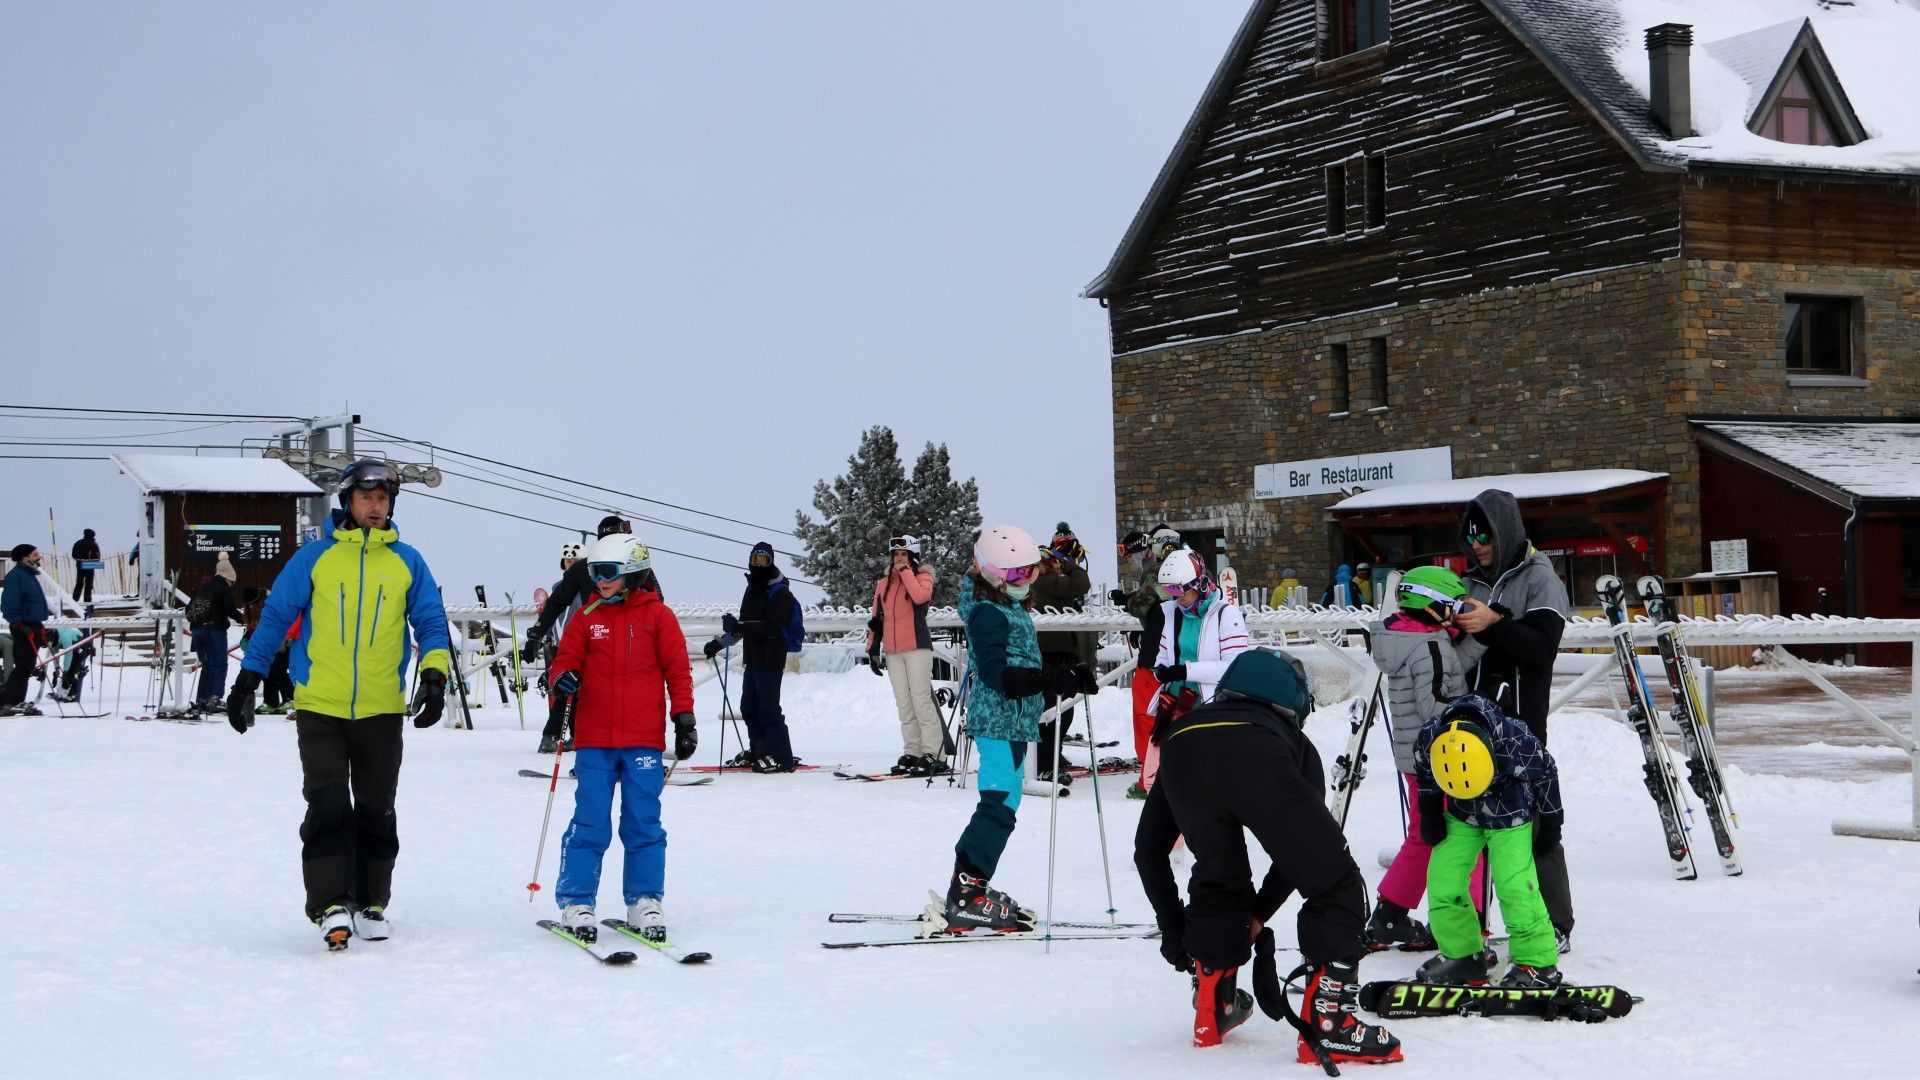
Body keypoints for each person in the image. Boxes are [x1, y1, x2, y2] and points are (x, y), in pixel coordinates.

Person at [226, 458, 452, 951]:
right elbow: (275, 618)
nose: (377, 506)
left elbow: (432, 623)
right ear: (347, 499)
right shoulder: (315, 558)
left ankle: (371, 902)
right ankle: (330, 903)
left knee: (376, 808)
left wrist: (433, 676)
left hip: (381, 708)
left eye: (384, 498)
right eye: (368, 497)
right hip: (320, 706)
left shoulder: (408, 561)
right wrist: (248, 679)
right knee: (327, 804)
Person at [1134, 650, 1402, 1063]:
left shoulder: (1182, 732)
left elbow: (1149, 850)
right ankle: (1330, 1025)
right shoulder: (1293, 740)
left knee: (1219, 877)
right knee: (1336, 882)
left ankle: (1214, 1007)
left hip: (1187, 756)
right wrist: (1259, 915)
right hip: (1265, 756)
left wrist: (1174, 932)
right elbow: (1307, 855)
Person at [934, 525, 1093, 933]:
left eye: (1030, 573)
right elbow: (996, 675)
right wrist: (1047, 679)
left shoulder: (1006, 604)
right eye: (1016, 574)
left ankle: (971, 886)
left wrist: (1064, 675)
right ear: (990, 572)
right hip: (998, 720)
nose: (1025, 581)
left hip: (1015, 720)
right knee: (998, 804)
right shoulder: (988, 611)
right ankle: (967, 893)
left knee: (1005, 802)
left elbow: (1024, 666)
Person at [548, 532, 695, 944]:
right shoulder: (587, 617)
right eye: (595, 572)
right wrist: (564, 678)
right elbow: (561, 664)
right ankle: (577, 900)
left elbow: (678, 672)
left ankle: (644, 899)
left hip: (643, 741)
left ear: (633, 571)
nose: (600, 580)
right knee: (590, 822)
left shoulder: (658, 617)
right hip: (594, 739)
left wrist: (684, 720)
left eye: (608, 572)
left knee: (643, 822)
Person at [1452, 489, 1575, 951]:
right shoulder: (1471, 581)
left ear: (1504, 530)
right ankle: (1476, 922)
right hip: (1472, 724)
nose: (1476, 543)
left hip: (1522, 723)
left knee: (1539, 821)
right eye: (1469, 535)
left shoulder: (1540, 577)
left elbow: (1542, 649)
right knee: (1472, 822)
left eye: (1483, 533)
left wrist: (1494, 623)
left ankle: (1555, 924)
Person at [1365, 566, 1487, 951]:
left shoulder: (1411, 640)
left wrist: (1484, 638)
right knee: (1464, 836)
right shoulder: (1430, 645)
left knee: (1424, 834)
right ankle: (1463, 921)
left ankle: (1389, 914)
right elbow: (1433, 701)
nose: (1456, 613)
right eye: (1451, 605)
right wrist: (1473, 714)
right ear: (1431, 605)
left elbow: (1445, 667)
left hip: (1415, 757)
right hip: (1441, 759)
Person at [1410, 694, 1565, 988]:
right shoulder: (1431, 737)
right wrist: (1430, 811)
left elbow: (1546, 772)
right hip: (1462, 813)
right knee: (1444, 878)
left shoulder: (1515, 741)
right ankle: (1463, 955)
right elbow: (1425, 772)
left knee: (1515, 886)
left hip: (1510, 814)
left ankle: (1537, 962)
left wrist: (1552, 821)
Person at [525, 518, 629, 753]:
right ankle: (585, 748)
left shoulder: (635, 566)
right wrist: (536, 634)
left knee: (620, 697)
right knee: (576, 691)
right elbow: (556, 602)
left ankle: (626, 748)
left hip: (626, 644)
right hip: (592, 642)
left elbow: (655, 601)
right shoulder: (583, 569)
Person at [702, 541, 804, 772]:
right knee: (749, 707)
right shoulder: (752, 589)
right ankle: (761, 751)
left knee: (768, 708)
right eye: (756, 560)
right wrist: (718, 644)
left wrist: (740, 625)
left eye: (764, 560)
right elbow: (742, 626)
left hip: (771, 657)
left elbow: (770, 627)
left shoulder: (781, 593)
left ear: (771, 562)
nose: (759, 565)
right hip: (754, 657)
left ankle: (781, 757)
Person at [863, 535, 944, 777]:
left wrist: (906, 571)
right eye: (895, 555)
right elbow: (877, 619)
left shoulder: (923, 576)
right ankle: (913, 750)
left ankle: (934, 753)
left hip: (917, 647)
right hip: (894, 650)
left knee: (921, 699)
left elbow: (920, 597)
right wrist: (872, 650)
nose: (898, 559)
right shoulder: (883, 584)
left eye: (903, 554)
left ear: (913, 556)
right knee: (904, 703)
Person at [1112, 526, 1181, 798]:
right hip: (1184, 654)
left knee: (1147, 717)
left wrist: (1127, 601)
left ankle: (1149, 779)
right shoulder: (1198, 569)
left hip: (1155, 656)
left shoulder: (1159, 570)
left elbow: (1142, 604)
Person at [1032, 524, 1095, 785]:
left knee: (1058, 708)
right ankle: (1045, 763)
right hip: (1054, 651)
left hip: (1053, 650)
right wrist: (1067, 563)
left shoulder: (1045, 582)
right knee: (1056, 708)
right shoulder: (1045, 581)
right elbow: (1082, 582)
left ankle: (1049, 757)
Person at [1152, 547, 1249, 707]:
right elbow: (1163, 656)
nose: (1177, 597)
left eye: (1179, 589)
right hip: (1176, 703)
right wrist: (1161, 671)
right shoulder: (1173, 614)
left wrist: (1186, 671)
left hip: (1212, 705)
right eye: (1168, 590)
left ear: (1200, 584)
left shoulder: (1226, 615)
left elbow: (1233, 667)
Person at [533, 541, 586, 754]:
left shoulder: (587, 588)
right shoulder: (559, 588)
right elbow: (553, 617)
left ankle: (575, 735)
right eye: (567, 560)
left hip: (581, 645)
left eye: (575, 561)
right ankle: (550, 735)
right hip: (563, 647)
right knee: (565, 691)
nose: (570, 564)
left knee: (578, 694)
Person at [187, 553, 246, 711]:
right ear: (228, 578)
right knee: (219, 664)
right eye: (232, 582)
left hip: (197, 630)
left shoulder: (202, 586)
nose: (231, 584)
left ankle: (201, 699)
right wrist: (242, 619)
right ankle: (215, 697)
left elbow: (189, 608)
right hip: (215, 631)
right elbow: (230, 609)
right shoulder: (223, 588)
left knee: (206, 664)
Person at [2, 544, 51, 714]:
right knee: (23, 665)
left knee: (28, 665)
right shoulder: (16, 577)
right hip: (22, 627)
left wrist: (40, 626)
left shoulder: (29, 575)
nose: (39, 557)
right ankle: (9, 702)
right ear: (25, 558)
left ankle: (17, 701)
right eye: (36, 554)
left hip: (33, 625)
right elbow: (8, 606)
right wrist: (19, 625)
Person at [71, 528, 101, 603]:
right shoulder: (93, 544)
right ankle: (87, 600)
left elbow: (74, 555)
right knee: (88, 584)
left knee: (79, 582)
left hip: (79, 565)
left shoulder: (78, 543)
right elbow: (97, 557)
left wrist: (80, 559)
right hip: (89, 565)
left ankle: (75, 599)